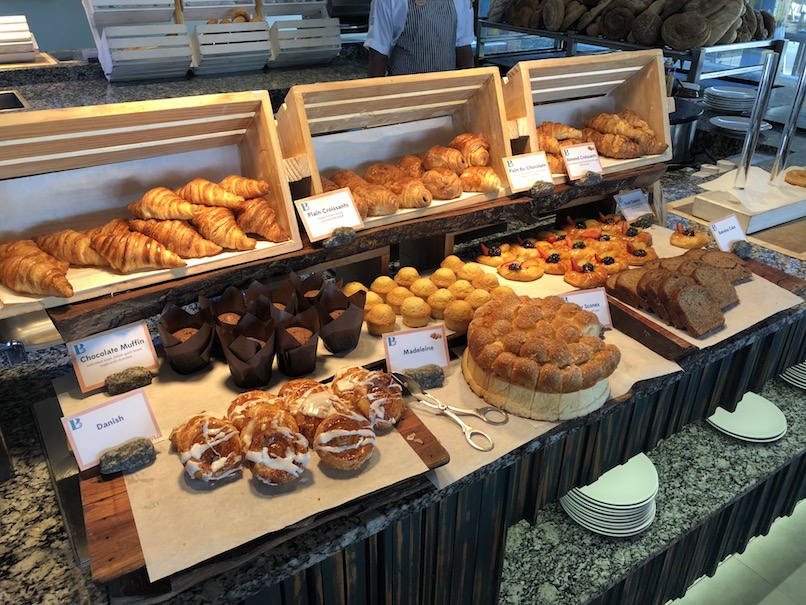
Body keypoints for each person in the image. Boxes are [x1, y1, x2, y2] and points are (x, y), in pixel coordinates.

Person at [364, 0, 476, 77]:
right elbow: (378, 55)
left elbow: (464, 50)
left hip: (445, 93)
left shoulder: (461, 1)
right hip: (403, 94)